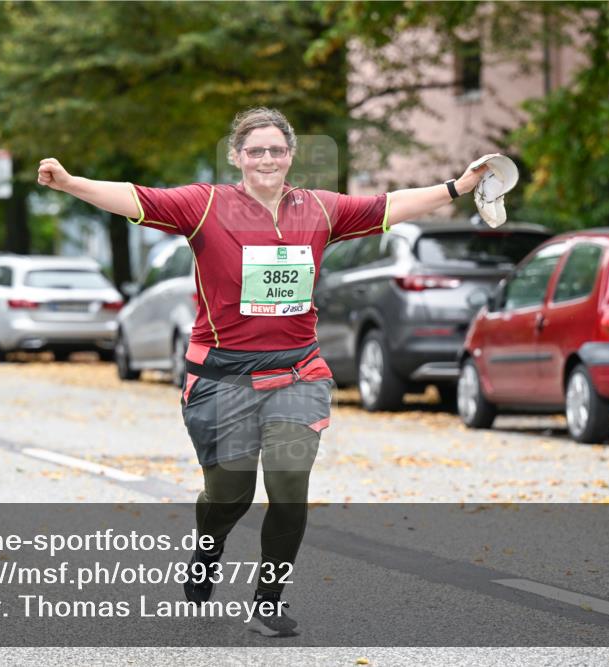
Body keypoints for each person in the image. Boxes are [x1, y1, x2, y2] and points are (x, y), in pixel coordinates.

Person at [37, 107, 490, 636]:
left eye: (277, 150)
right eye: (256, 151)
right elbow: (137, 198)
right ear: (237, 157)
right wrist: (70, 183)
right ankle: (208, 548)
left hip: (297, 373)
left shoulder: (319, 209)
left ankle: (267, 603)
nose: (267, 159)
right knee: (230, 495)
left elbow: (389, 206)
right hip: (221, 378)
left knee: (289, 483)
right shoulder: (205, 205)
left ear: (290, 155)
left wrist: (458, 188)